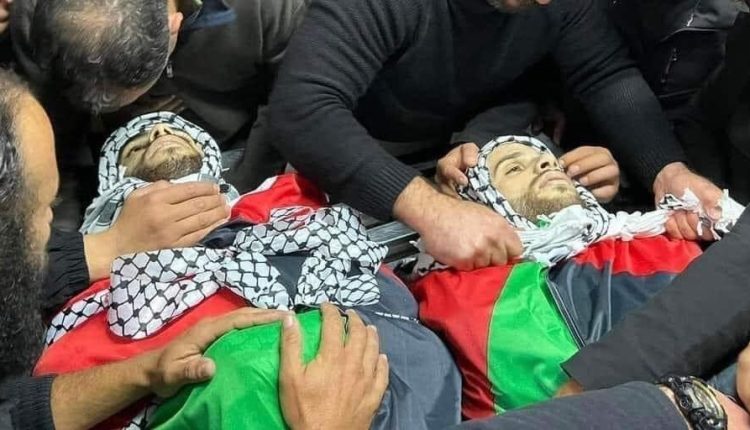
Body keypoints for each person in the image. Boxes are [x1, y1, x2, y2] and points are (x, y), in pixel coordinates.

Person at [0, 69, 393, 430]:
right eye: (43, 207)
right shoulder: (90, 305)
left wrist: (147, 371)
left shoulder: (282, 202)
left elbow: (14, 412)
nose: (52, 224)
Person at [266, 0, 725, 271]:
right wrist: (429, 208)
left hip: (464, 140)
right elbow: (303, 108)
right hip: (347, 151)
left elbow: (604, 74)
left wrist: (667, 170)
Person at [410, 135, 741, 417]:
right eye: (513, 168)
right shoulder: (460, 291)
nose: (545, 163)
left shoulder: (658, 234)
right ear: (480, 202)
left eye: (548, 160)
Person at [11, 0, 308, 230]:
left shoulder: (269, 9)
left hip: (241, 151)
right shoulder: (34, 17)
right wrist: (74, 240)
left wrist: (240, 193)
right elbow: (56, 140)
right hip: (107, 171)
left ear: (173, 26)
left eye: (136, 95)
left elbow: (287, 103)